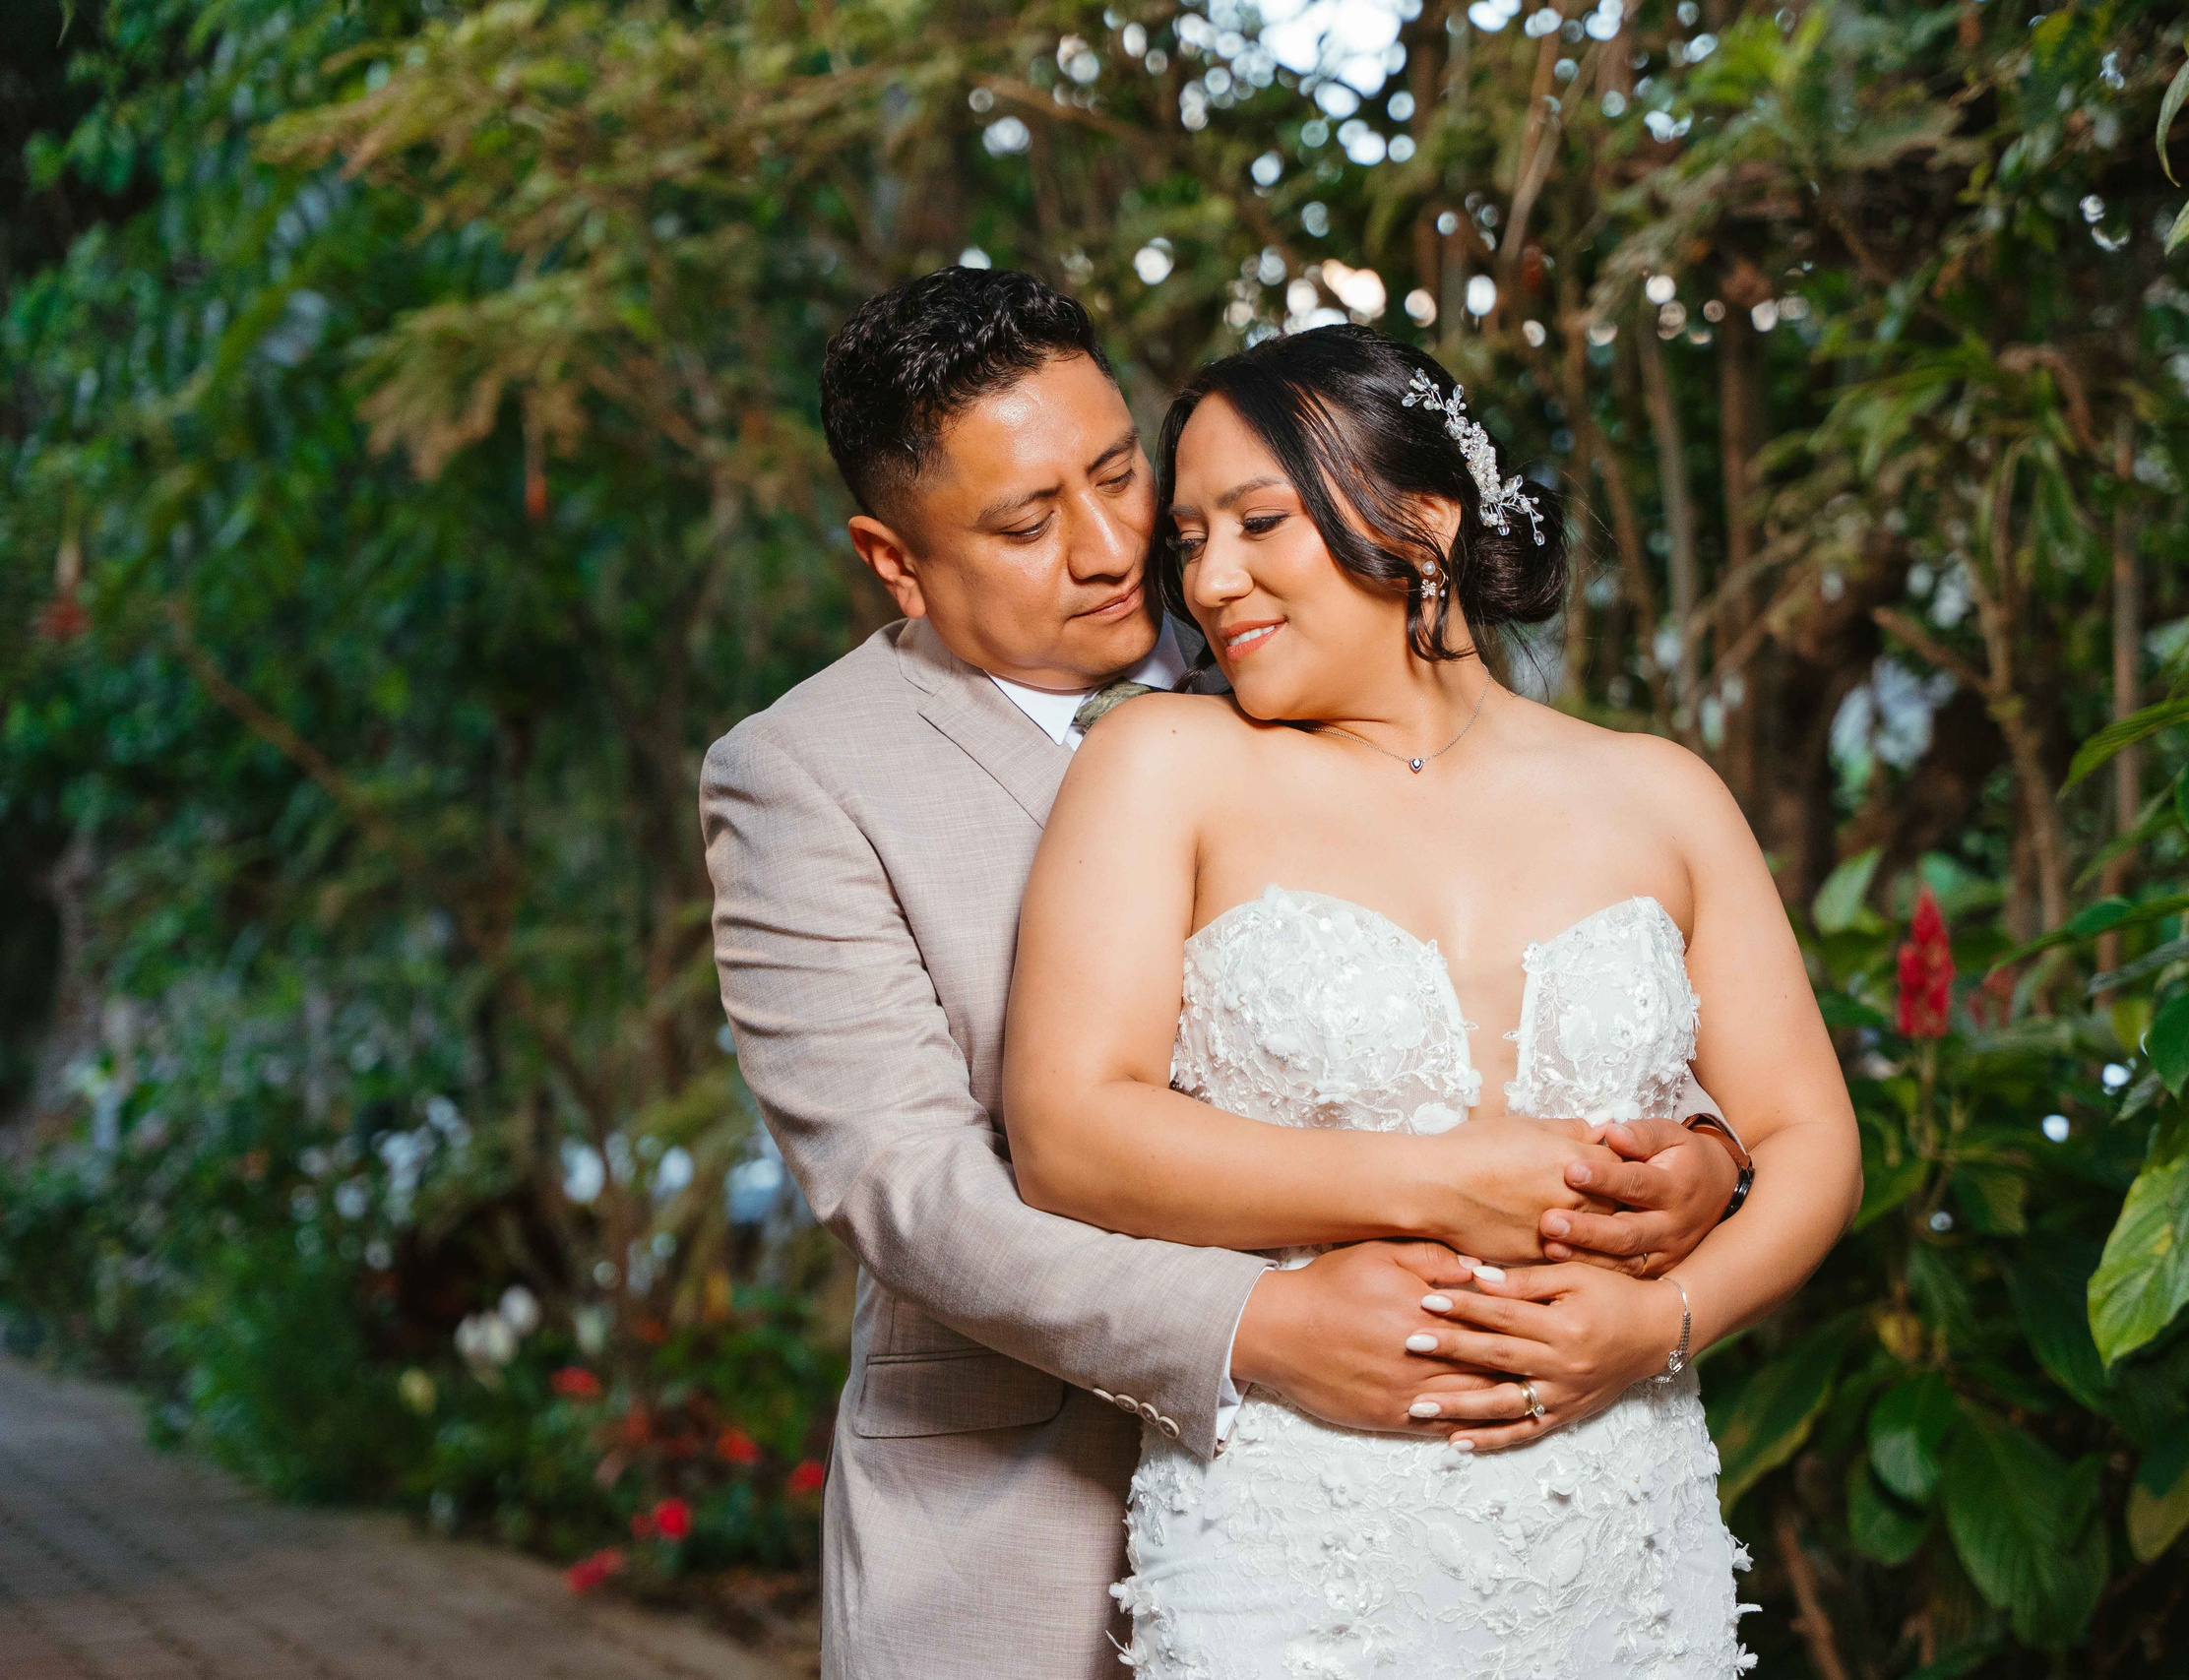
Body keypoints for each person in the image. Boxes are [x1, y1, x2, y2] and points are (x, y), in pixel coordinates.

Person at [699, 268, 1750, 1680]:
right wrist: (1253, 1326)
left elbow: (1518, 922)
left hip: (1441, 1504)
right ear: (895, 560)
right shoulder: (802, 778)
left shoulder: (1282, 625)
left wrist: (1694, 1147)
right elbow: (911, 1191)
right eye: (1025, 523)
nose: (1112, 548)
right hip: (1023, 1517)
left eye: (1121, 474)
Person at [1000, 324, 1862, 1675]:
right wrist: (1431, 1183)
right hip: (1300, 1539)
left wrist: (1660, 1322)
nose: (1210, 581)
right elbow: (1068, 1132)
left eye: (1257, 523)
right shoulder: (1161, 766)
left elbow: (1811, 1140)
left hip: (1618, 1528)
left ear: (1425, 515)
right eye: (1189, 543)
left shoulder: (1664, 793)